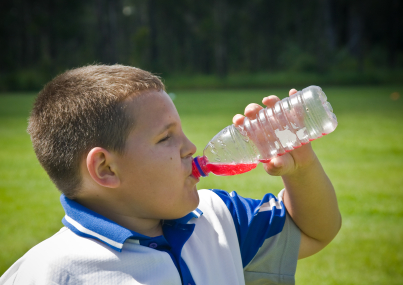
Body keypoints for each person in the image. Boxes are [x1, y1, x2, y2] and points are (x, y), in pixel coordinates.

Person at [0, 65, 341, 285]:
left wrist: (302, 168)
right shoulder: (51, 273)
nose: (191, 147)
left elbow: (313, 232)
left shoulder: (217, 218)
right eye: (166, 138)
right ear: (106, 169)